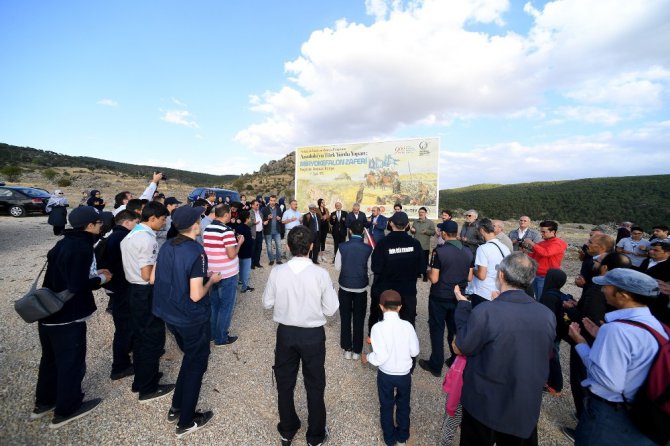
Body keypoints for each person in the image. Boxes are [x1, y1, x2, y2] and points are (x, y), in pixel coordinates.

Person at [454, 252, 556, 446]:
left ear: (501, 275)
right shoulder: (546, 314)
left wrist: (463, 308)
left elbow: (462, 346)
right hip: (524, 403)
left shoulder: (486, 311)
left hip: (484, 402)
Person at [32, 206, 111, 427]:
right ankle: (67, 408)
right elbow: (77, 284)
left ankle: (44, 401)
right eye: (98, 222)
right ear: (89, 226)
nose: (101, 225)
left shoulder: (63, 243)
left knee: (50, 360)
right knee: (70, 362)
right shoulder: (81, 248)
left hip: (48, 313)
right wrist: (101, 279)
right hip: (68, 315)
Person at [568, 268, 666, 446]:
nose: (603, 290)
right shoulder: (657, 326)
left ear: (624, 295)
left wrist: (581, 342)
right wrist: (603, 339)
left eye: (607, 286)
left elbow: (607, 381)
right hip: (643, 413)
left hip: (611, 416)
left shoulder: (617, 330)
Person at [262, 225, 339, 446]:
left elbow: (267, 303)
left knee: (285, 382)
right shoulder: (321, 274)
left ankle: (287, 428)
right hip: (313, 335)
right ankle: (315, 434)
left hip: (286, 334)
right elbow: (331, 309)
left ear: (287, 246)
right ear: (312, 246)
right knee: (314, 383)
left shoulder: (277, 272)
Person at [152, 206, 222, 437]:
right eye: (200, 219)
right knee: (196, 364)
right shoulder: (196, 252)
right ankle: (186, 421)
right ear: (194, 225)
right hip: (191, 317)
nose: (201, 222)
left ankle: (177, 406)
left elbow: (155, 279)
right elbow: (195, 294)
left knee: (190, 358)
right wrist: (211, 280)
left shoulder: (167, 245)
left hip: (169, 315)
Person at [120, 201, 174, 401]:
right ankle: (148, 388)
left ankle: (142, 379)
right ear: (152, 219)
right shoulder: (147, 240)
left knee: (142, 337)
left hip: (133, 290)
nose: (164, 223)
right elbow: (146, 275)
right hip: (146, 290)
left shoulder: (131, 234)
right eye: (162, 219)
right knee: (153, 339)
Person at [362, 290, 420, 446]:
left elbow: (380, 356)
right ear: (400, 307)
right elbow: (415, 351)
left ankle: (389, 438)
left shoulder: (377, 328)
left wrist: (367, 357)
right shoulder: (407, 326)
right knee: (403, 404)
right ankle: (402, 437)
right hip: (404, 375)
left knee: (386, 405)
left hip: (386, 374)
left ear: (381, 307)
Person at [418, 220, 472, 377]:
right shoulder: (468, 251)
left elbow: (434, 279)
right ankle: (455, 359)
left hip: (440, 296)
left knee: (437, 329)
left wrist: (427, 271)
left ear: (443, 233)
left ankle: (436, 364)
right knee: (454, 329)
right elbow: (469, 277)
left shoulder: (439, 251)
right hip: (458, 296)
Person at [96, 210, 139, 381]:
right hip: (123, 288)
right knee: (124, 328)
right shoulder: (123, 239)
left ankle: (127, 353)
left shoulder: (113, 236)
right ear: (127, 222)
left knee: (124, 326)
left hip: (117, 287)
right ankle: (120, 366)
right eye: (135, 222)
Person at [370, 212, 423, 332]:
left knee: (386, 325)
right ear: (407, 225)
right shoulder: (415, 244)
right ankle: (406, 349)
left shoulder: (383, 243)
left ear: (391, 223)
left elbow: (376, 268)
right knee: (407, 324)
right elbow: (421, 268)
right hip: (408, 291)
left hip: (387, 292)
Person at [203, 204, 243, 346]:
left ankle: (213, 334)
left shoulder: (207, 228)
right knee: (226, 306)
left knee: (214, 305)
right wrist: (239, 243)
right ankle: (221, 338)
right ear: (226, 215)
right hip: (228, 273)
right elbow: (231, 254)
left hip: (213, 273)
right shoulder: (226, 231)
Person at [335, 220, 372, 360]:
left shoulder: (342, 246)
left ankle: (347, 348)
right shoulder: (368, 249)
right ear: (363, 231)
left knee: (345, 317)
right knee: (359, 318)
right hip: (361, 287)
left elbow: (337, 267)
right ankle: (357, 350)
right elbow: (370, 269)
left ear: (349, 231)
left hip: (345, 285)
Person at [539, 269, 569, 395]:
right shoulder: (558, 294)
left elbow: (546, 317)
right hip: (557, 332)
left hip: (551, 333)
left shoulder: (548, 296)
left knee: (552, 358)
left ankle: (554, 385)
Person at [469, 218, 511, 305]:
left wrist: (472, 270)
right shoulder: (505, 248)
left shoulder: (483, 248)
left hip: (483, 292)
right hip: (498, 291)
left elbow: (481, 275)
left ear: (482, 230)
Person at [522, 220, 568, 299]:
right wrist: (525, 252)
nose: (541, 234)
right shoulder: (542, 243)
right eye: (541, 231)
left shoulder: (558, 243)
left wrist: (532, 243)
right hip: (536, 274)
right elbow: (535, 255)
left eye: (544, 232)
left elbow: (546, 253)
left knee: (542, 299)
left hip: (546, 276)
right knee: (537, 298)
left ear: (552, 232)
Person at [410, 206, 435, 282]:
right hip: (416, 244)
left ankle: (425, 275)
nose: (421, 214)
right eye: (419, 212)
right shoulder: (415, 221)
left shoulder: (430, 222)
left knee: (424, 261)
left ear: (426, 213)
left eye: (422, 212)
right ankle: (418, 273)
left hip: (425, 245)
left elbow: (433, 232)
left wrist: (426, 231)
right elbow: (412, 231)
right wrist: (412, 230)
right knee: (416, 259)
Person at [261, 195, 284, 265]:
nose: (272, 202)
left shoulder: (278, 209)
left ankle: (278, 259)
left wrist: (280, 219)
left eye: (274, 200)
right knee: (269, 247)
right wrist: (267, 218)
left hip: (277, 231)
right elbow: (262, 220)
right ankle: (271, 259)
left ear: (276, 201)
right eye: (271, 200)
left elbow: (281, 219)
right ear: (269, 201)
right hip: (268, 231)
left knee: (279, 246)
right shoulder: (264, 209)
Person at [236, 210, 254, 293]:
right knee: (246, 270)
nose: (250, 218)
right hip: (246, 253)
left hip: (239, 252)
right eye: (249, 217)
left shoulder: (238, 227)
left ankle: (240, 281)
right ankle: (245, 287)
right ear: (246, 219)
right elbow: (248, 243)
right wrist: (252, 240)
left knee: (240, 268)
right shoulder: (246, 229)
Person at [249, 199, 264, 268]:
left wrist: (264, 223)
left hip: (260, 233)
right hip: (253, 234)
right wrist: (253, 223)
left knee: (259, 248)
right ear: (252, 206)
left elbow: (261, 221)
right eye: (257, 205)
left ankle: (257, 262)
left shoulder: (260, 212)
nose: (258, 206)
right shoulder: (249, 213)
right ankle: (252, 264)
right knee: (253, 249)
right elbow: (247, 224)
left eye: (258, 205)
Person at [317, 198, 329, 262]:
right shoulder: (316, 209)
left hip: (325, 227)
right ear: (319, 203)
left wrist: (327, 217)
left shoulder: (326, 209)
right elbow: (316, 217)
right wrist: (322, 217)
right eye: (322, 202)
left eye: (324, 202)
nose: (323, 203)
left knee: (323, 241)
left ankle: (322, 255)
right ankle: (318, 255)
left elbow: (328, 217)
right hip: (319, 227)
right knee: (319, 240)